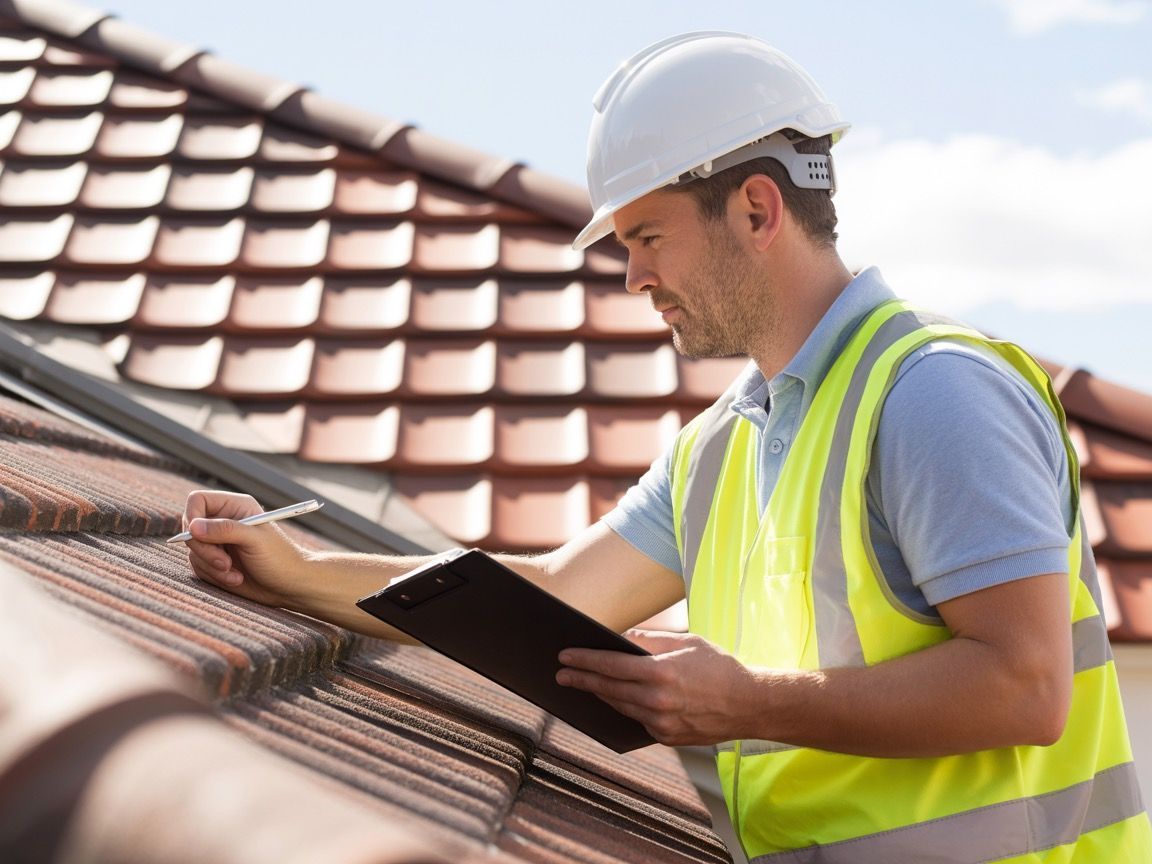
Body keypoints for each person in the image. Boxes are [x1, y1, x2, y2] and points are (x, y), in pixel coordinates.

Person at [182, 31, 1152, 862]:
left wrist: (752, 703)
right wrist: (294, 573)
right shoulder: (722, 446)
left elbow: (1026, 689)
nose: (634, 275)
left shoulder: (934, 392)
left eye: (648, 236)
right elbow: (554, 601)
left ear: (758, 210)